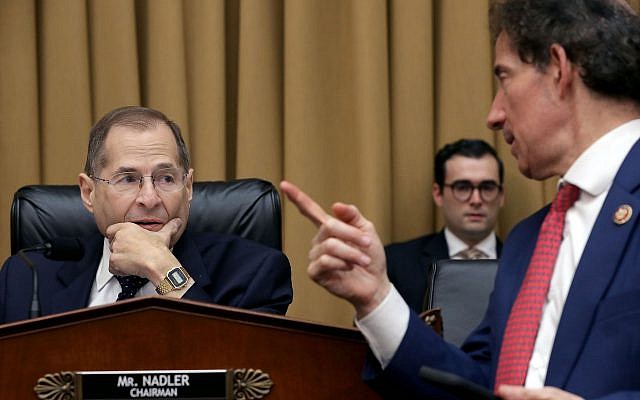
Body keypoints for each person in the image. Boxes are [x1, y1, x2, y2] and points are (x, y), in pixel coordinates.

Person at [280, 0, 640, 398]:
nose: (494, 115)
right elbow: (472, 388)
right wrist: (376, 297)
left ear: (557, 69)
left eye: (504, 78)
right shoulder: (527, 242)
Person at [0, 106, 293, 324]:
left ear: (188, 188)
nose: (149, 198)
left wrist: (163, 270)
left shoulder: (255, 272)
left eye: (166, 179)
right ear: (89, 192)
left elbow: (243, 371)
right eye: (127, 179)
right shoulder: (26, 277)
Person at [385, 139, 504, 314]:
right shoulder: (396, 264)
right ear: (438, 194)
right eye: (462, 187)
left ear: (501, 195)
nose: (476, 200)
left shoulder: (528, 264)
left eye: (487, 187)